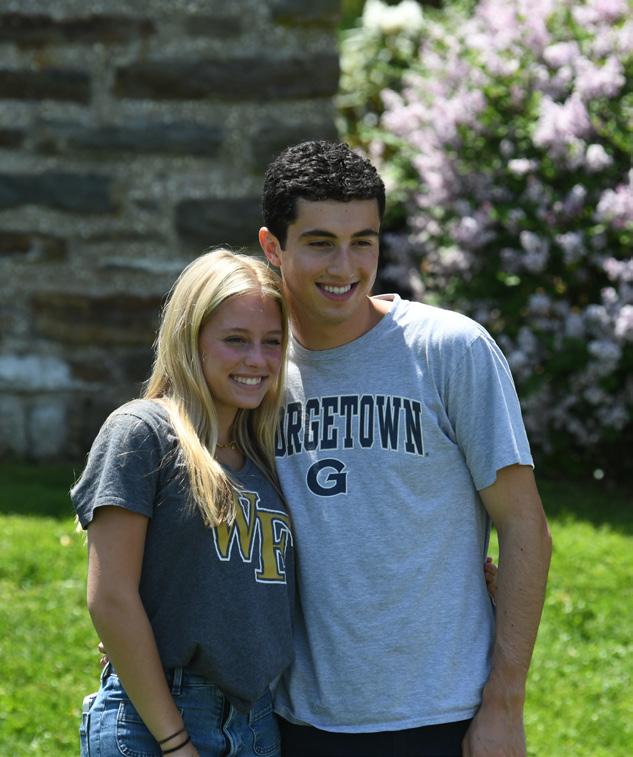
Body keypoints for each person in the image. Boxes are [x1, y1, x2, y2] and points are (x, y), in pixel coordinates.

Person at [258, 140, 552, 757]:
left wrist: (505, 702)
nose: (345, 266)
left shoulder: (450, 350)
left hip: (443, 715)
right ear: (273, 247)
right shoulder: (253, 370)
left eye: (363, 241)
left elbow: (524, 527)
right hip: (295, 719)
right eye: (320, 243)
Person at [71, 249, 294, 757]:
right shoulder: (142, 432)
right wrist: (175, 742)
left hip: (257, 724)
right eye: (235, 339)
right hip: (157, 722)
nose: (257, 360)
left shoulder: (266, 453)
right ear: (190, 338)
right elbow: (110, 597)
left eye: (272, 342)